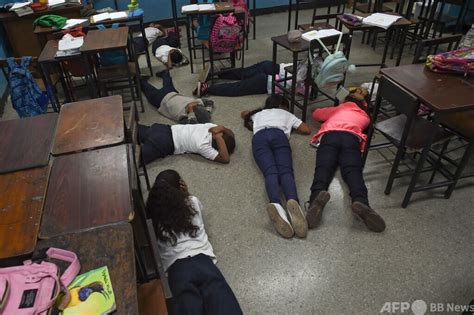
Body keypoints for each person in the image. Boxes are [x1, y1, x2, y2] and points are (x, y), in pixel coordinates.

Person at [146, 169, 243, 315]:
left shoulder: (153, 215)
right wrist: (186, 193)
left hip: (177, 271)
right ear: (181, 186)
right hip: (204, 263)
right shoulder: (192, 202)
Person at [306, 88, 386, 233]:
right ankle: (361, 202)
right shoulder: (366, 116)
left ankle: (315, 200)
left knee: (323, 168)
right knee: (353, 172)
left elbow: (316, 114)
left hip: (331, 136)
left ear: (347, 100)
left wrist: (336, 107)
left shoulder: (340, 108)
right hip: (351, 139)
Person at [241, 95, 311, 238]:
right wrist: (291, 123)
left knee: (270, 173)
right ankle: (293, 202)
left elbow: (243, 114)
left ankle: (276, 205)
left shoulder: (258, 114)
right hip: (279, 136)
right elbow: (306, 129)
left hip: (259, 138)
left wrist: (256, 112)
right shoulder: (286, 113)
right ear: (282, 106)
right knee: (286, 172)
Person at [138, 122, 235, 165]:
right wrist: (218, 137)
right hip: (164, 143)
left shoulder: (210, 127)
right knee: (132, 162)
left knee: (129, 131)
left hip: (163, 129)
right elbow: (225, 159)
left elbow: (231, 134)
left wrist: (222, 129)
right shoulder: (203, 145)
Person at [141, 70, 214, 124]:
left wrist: (194, 109)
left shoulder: (197, 104)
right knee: (149, 90)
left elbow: (210, 103)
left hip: (171, 94)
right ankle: (141, 81)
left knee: (167, 83)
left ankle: (164, 74)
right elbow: (192, 123)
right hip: (163, 99)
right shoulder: (185, 116)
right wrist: (192, 111)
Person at [194, 60, 279, 97]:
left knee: (244, 72)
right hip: (270, 82)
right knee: (238, 87)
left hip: (277, 67)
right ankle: (207, 88)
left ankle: (216, 74)